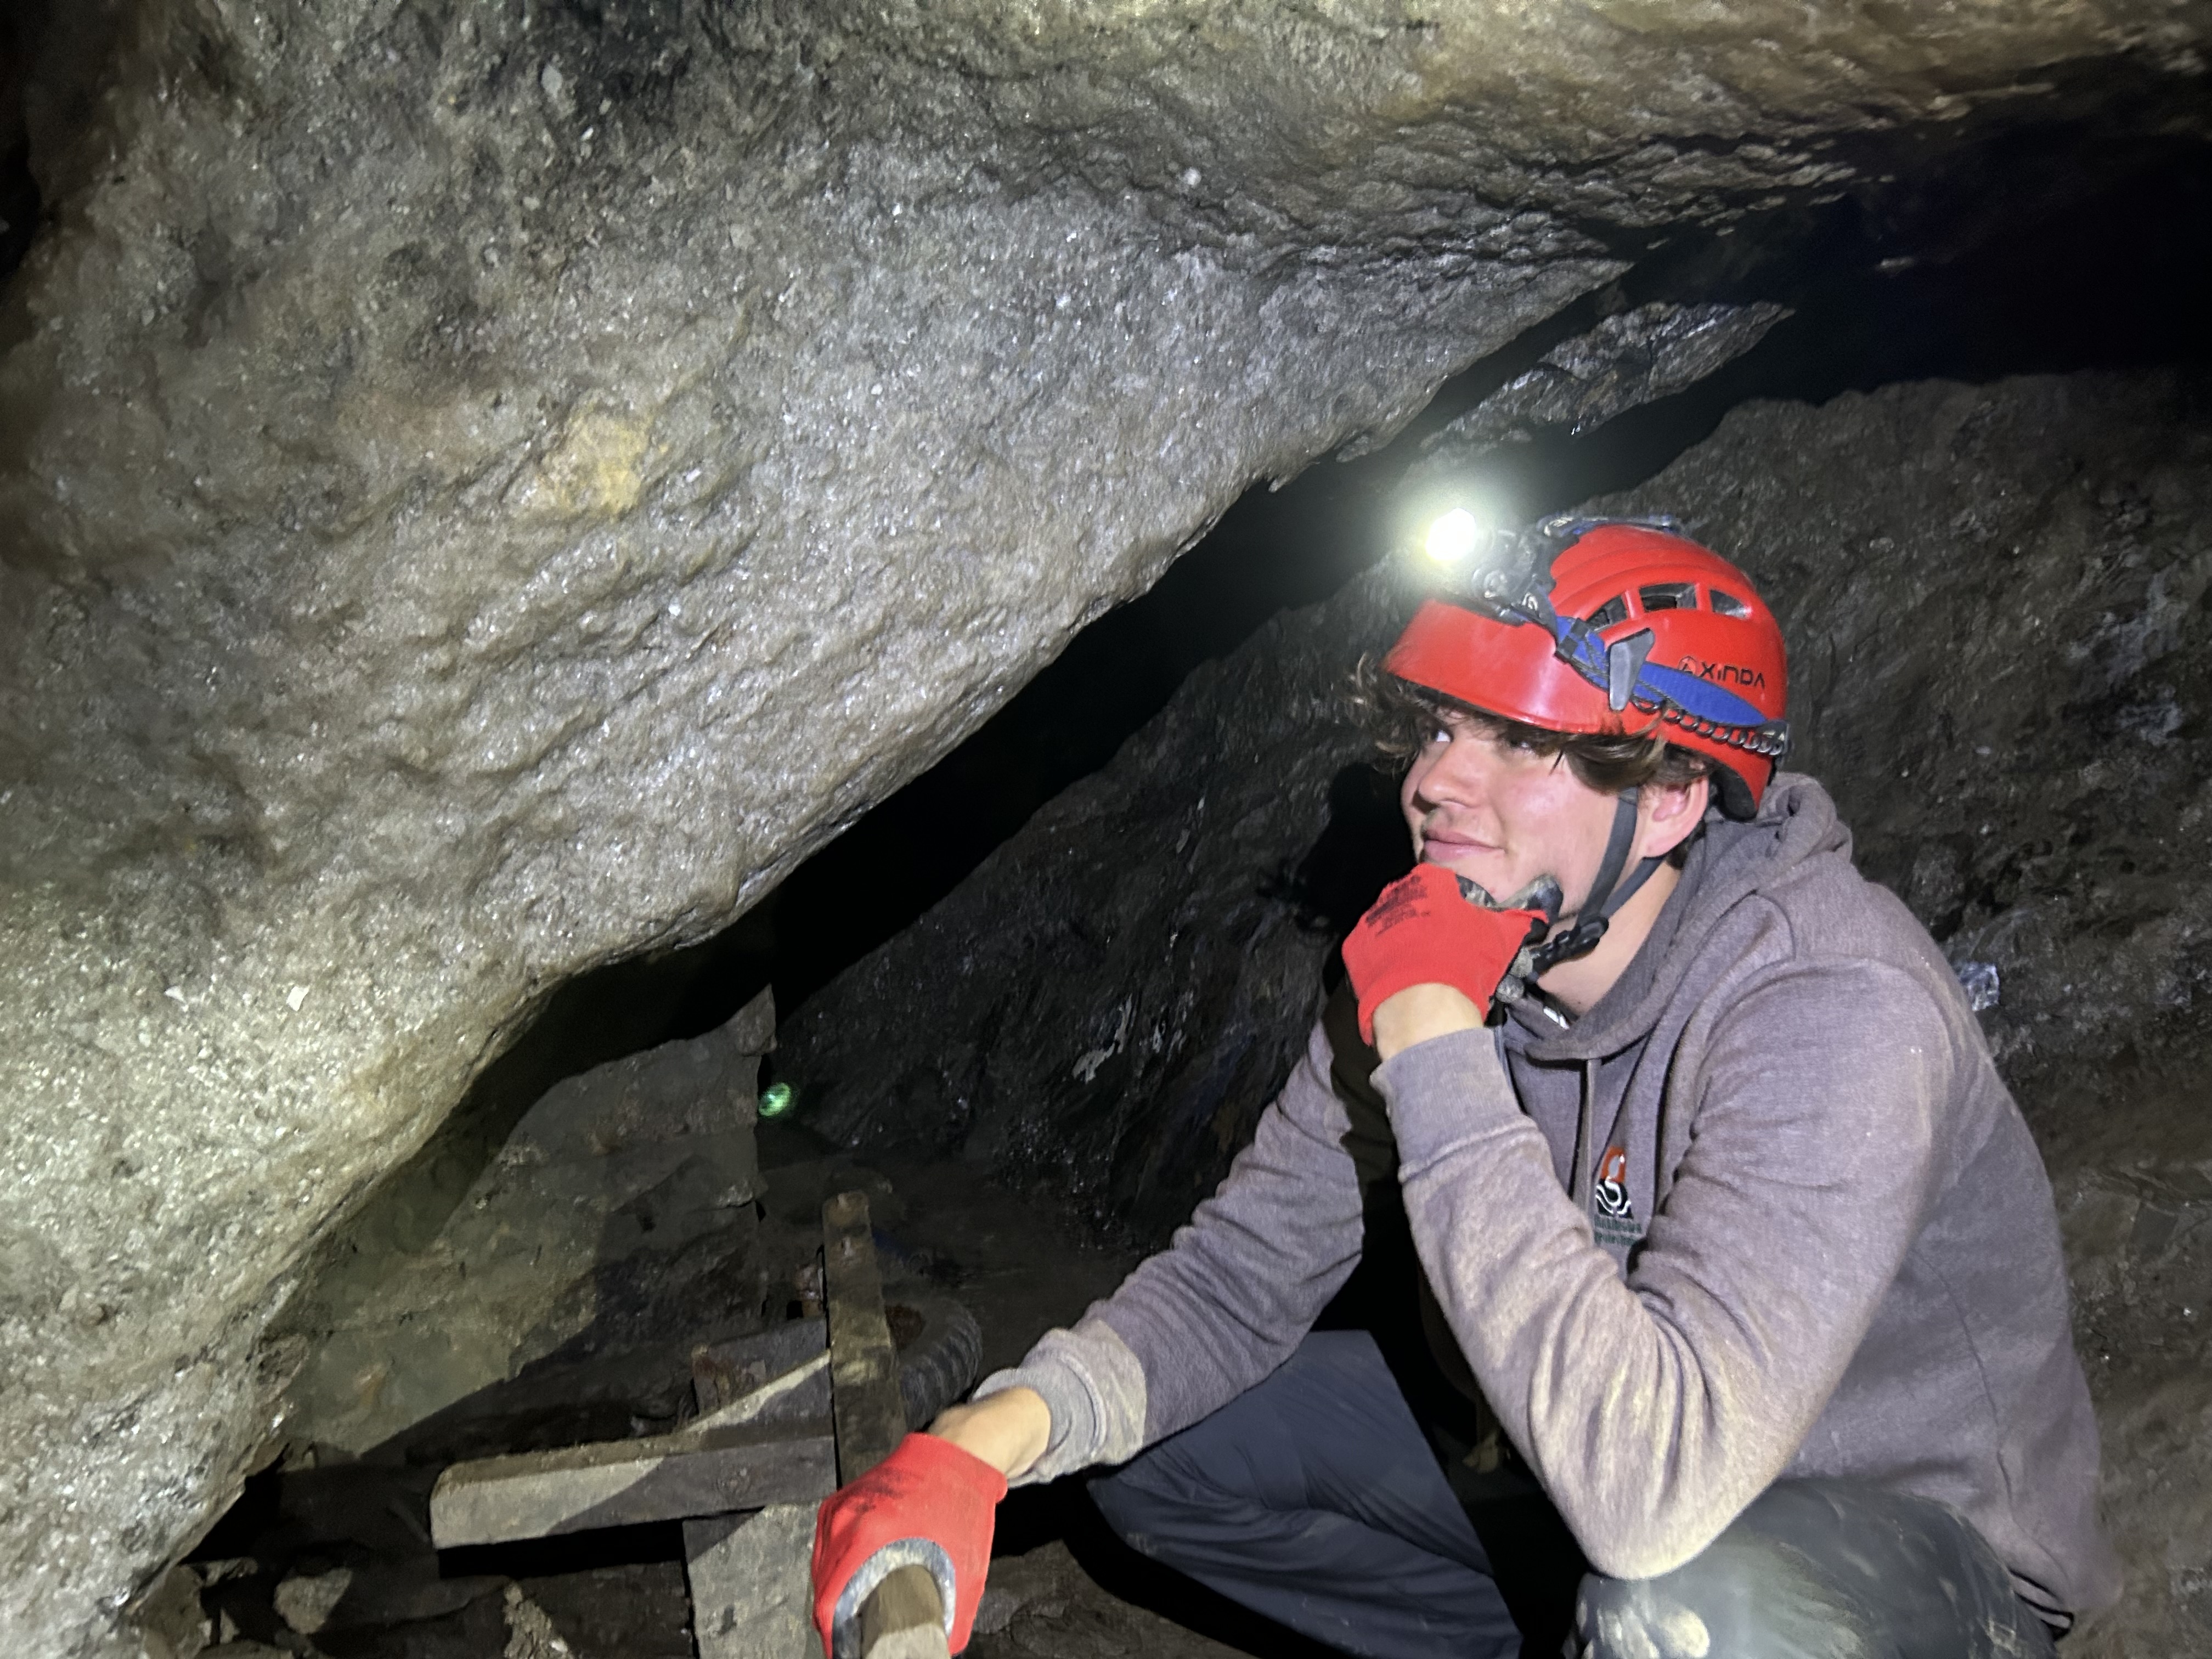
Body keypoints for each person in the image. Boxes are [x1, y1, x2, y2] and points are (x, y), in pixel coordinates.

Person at [811, 516, 2121, 1658]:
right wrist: (978, 1448)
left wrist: (1433, 1034)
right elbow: (1241, 1273)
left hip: (1902, 1570)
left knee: (1690, 1613)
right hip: (1596, 1491)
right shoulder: (1459, 948)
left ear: (1666, 801)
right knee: (1161, 1459)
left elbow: (1660, 1491)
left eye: (1518, 741)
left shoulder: (1832, 1003)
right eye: (1441, 727)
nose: (1435, 780)